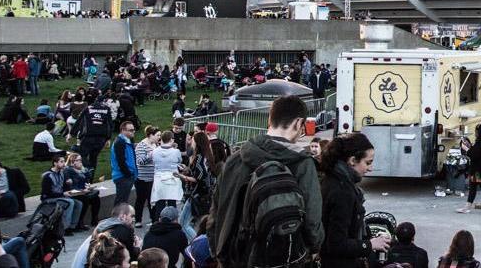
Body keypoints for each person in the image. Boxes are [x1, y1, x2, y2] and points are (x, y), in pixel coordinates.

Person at [209, 95, 324, 268]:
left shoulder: (236, 159)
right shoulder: (301, 164)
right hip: (279, 258)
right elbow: (312, 219)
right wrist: (314, 248)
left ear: (270, 119)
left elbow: (216, 210)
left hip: (234, 255)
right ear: (298, 123)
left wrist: (217, 249)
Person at [318, 133, 391, 266]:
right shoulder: (342, 191)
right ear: (352, 161)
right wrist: (370, 244)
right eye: (367, 162)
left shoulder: (330, 180)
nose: (370, 168)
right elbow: (336, 244)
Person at [40, 153, 86, 234]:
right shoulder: (48, 176)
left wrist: (69, 186)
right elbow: (46, 193)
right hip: (49, 199)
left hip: (60, 196)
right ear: (55, 163)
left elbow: (64, 188)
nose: (64, 163)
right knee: (70, 202)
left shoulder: (62, 173)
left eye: (64, 161)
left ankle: (73, 226)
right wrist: (63, 194)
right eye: (61, 161)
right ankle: (65, 228)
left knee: (79, 203)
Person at [149, 131, 182, 222]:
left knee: (159, 203)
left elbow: (152, 161)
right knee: (172, 203)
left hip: (159, 178)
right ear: (171, 139)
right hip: (172, 178)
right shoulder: (176, 151)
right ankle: (173, 222)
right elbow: (179, 161)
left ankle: (158, 222)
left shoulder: (155, 151)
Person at [134, 126, 159, 228]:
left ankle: (154, 220)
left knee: (152, 200)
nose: (159, 138)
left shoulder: (155, 145)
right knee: (141, 199)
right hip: (142, 178)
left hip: (153, 177)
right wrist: (152, 154)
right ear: (150, 135)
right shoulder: (141, 146)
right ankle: (138, 220)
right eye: (157, 135)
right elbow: (140, 161)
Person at [109, 121, 137, 205]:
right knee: (120, 202)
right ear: (123, 130)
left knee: (123, 201)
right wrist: (128, 174)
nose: (133, 132)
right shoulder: (120, 142)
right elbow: (121, 161)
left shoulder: (127, 141)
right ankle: (116, 218)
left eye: (133, 130)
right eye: (130, 130)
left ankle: (122, 217)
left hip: (127, 176)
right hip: (122, 177)